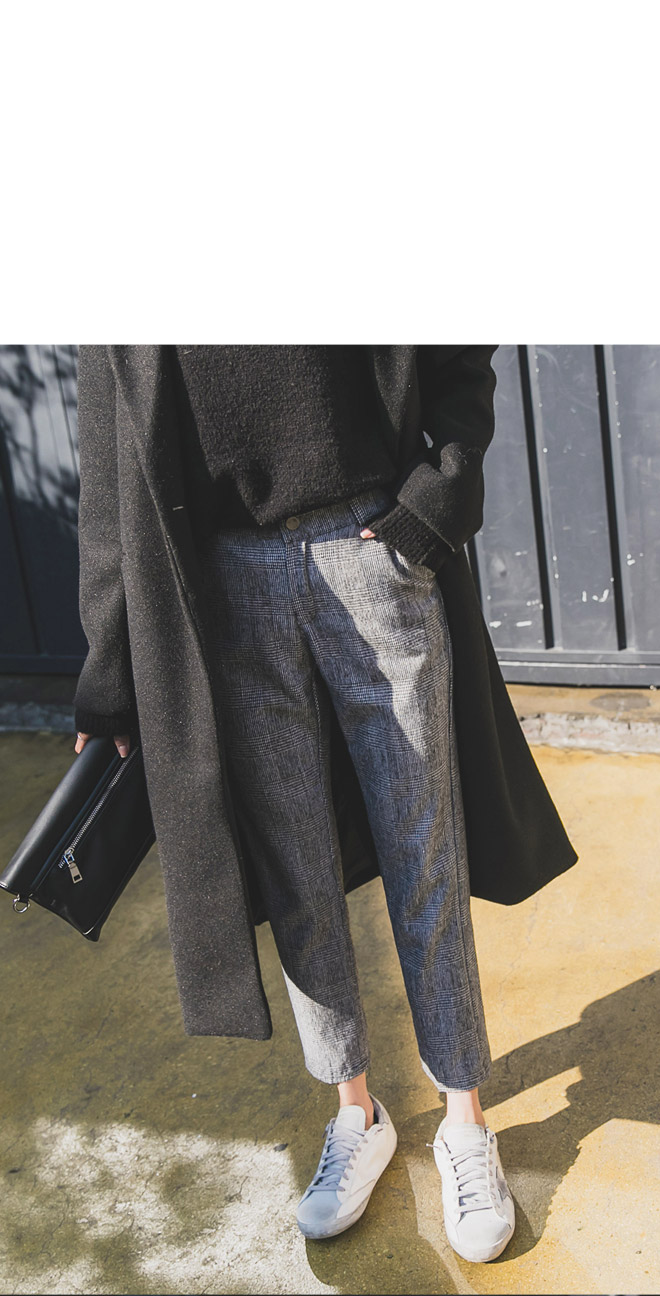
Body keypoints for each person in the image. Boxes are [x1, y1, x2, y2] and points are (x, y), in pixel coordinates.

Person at [72, 344, 577, 1263]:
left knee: (425, 852)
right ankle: (357, 1114)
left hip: (370, 547)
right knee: (295, 872)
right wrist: (110, 672)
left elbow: (460, 340)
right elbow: (107, 464)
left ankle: (464, 1123)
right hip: (224, 580)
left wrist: (438, 496)